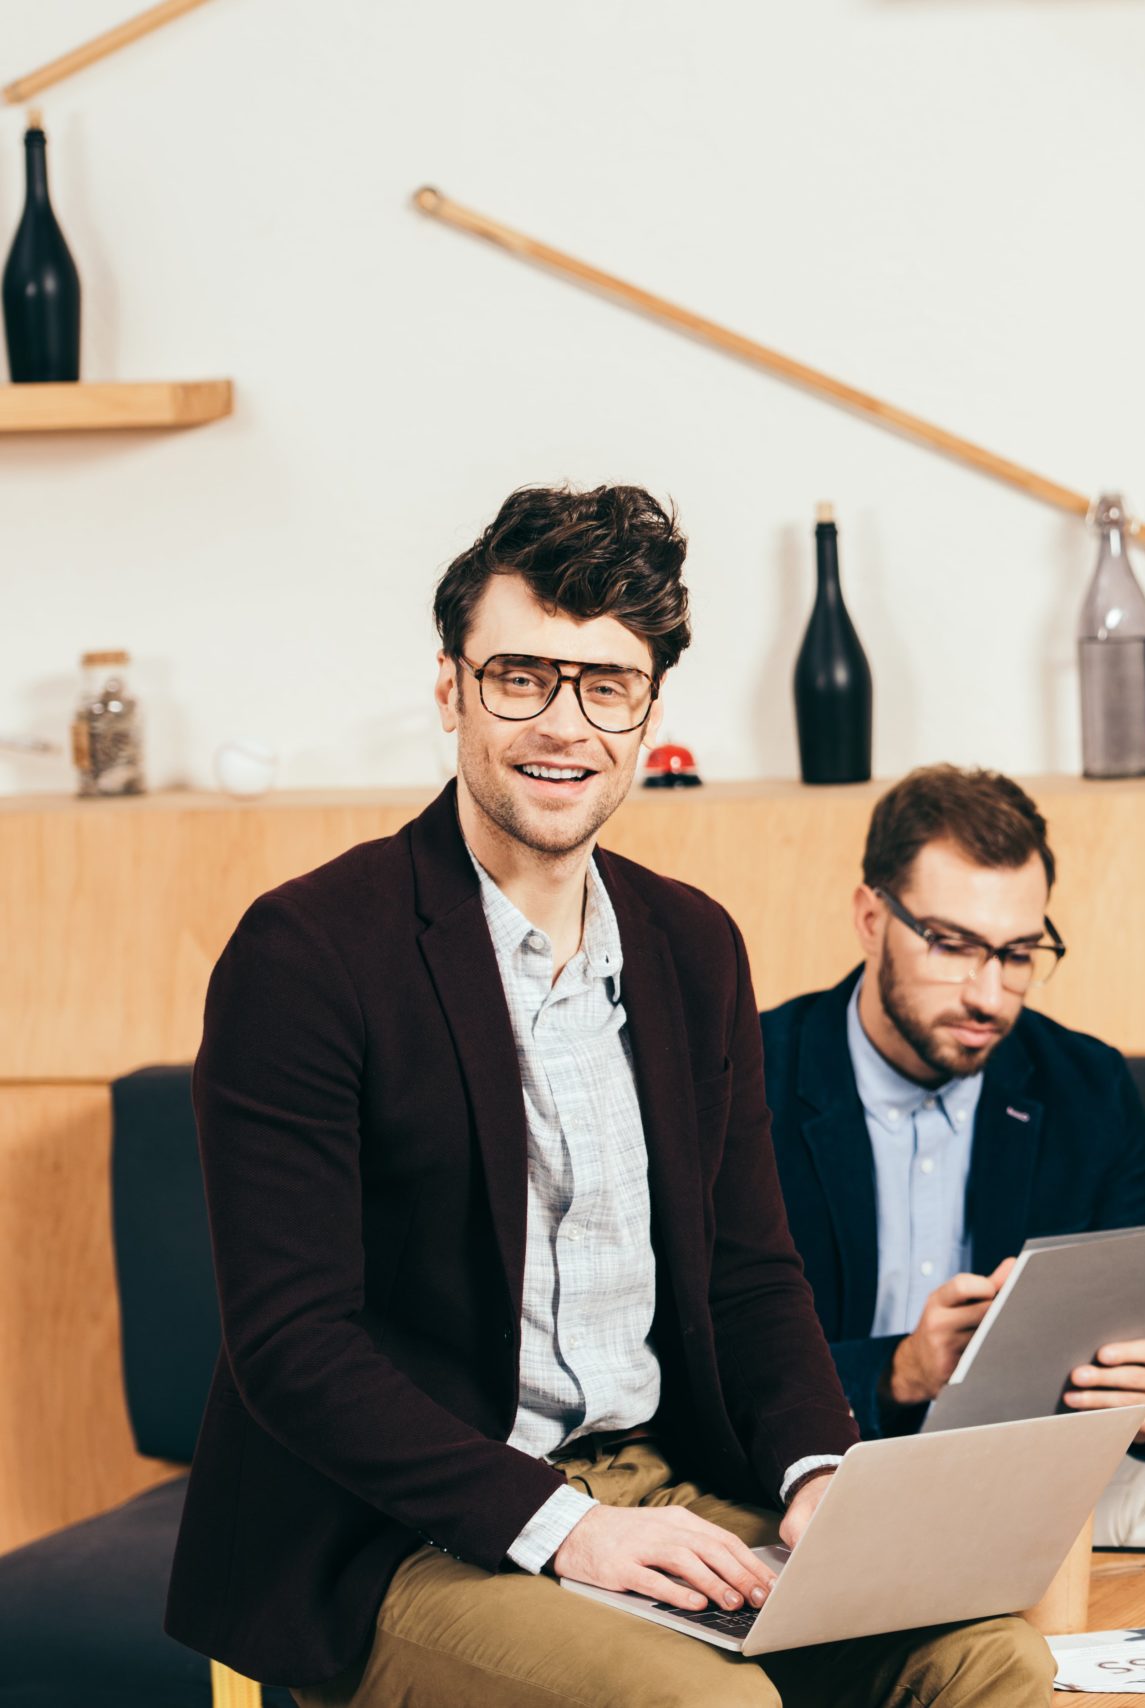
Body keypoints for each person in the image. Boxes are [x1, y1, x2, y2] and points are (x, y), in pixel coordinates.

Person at [168, 487, 1050, 1707]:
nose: (563, 724)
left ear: (646, 713)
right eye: (521, 676)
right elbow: (293, 1346)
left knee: (992, 1655)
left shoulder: (691, 946)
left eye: (605, 685)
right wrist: (559, 1524)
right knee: (708, 1705)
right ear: (451, 689)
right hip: (406, 1533)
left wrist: (816, 1474)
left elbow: (749, 1272)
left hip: (656, 1478)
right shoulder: (309, 951)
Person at [761, 765, 1145, 1547]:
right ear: (870, 918)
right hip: (823, 1465)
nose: (989, 995)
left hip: (1020, 1462)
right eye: (953, 946)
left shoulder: (1084, 1084)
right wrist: (899, 1374)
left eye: (1018, 953)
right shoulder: (751, 1076)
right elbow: (706, 1351)